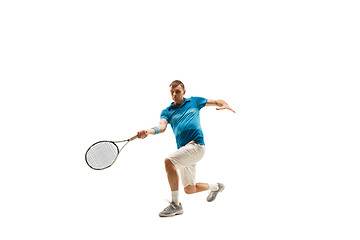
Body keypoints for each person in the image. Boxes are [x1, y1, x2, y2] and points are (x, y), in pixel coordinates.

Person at [137, 80, 235, 217]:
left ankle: (175, 204)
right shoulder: (167, 111)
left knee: (168, 162)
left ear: (184, 91)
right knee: (190, 189)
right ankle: (216, 187)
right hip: (184, 150)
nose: (174, 94)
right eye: (172, 92)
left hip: (196, 145)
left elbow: (217, 101)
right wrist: (148, 131)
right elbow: (161, 127)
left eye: (177, 91)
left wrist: (225, 104)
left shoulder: (194, 101)